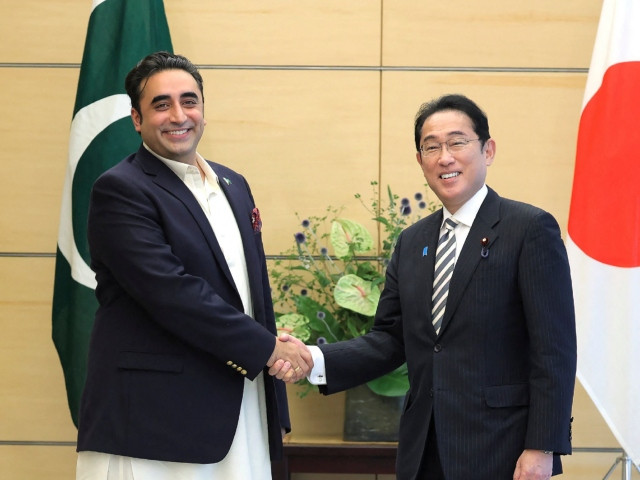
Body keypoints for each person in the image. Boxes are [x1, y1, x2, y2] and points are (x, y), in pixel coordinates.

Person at [273, 94, 576, 480]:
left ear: (488, 150)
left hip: (502, 449)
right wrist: (314, 359)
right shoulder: (413, 241)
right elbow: (390, 339)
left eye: (457, 142)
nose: (444, 157)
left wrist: (542, 447)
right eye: (431, 147)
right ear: (421, 161)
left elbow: (554, 350)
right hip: (423, 451)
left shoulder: (529, 229)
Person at [76, 51, 312, 480]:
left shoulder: (233, 184)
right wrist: (266, 349)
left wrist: (265, 336)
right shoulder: (120, 189)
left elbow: (242, 285)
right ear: (136, 118)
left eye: (189, 100)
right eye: (161, 104)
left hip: (237, 404)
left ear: (203, 109)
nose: (178, 115)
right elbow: (172, 293)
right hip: (154, 421)